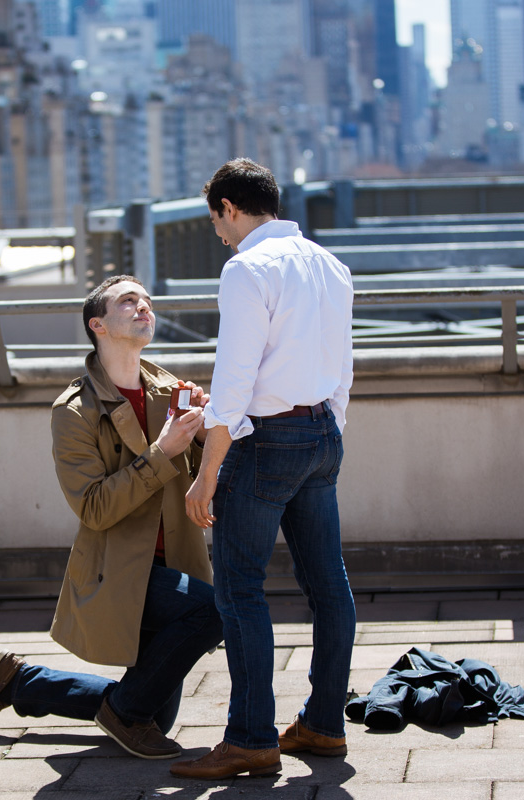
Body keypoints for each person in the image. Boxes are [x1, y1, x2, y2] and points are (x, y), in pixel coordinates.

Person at [0, 275, 223, 760]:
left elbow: (197, 473)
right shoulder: (74, 411)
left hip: (175, 561)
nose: (143, 307)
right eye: (128, 301)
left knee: (148, 712)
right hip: (119, 569)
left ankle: (22, 683)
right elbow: (93, 507)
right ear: (99, 325)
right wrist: (162, 450)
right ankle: (118, 710)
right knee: (215, 612)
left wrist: (202, 435)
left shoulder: (168, 388)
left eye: (146, 301)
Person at [171, 158, 356, 780]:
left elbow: (235, 379)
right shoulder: (330, 265)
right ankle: (325, 725)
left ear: (228, 207)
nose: (218, 233)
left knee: (239, 587)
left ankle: (251, 737)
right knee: (328, 584)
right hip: (322, 432)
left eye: (215, 219)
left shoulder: (247, 268)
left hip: (267, 440)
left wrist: (206, 474)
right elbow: (343, 366)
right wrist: (326, 430)